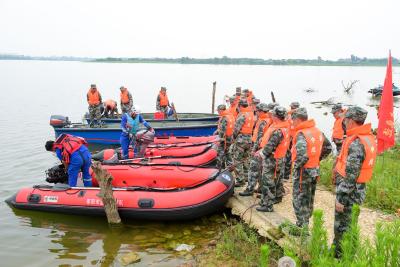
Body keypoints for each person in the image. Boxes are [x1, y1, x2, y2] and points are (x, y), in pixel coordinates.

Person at [332, 106, 377, 257]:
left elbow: (351, 176)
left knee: (342, 226)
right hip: (358, 190)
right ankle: (344, 252)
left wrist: (341, 199)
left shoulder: (357, 142)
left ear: (350, 120)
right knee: (350, 224)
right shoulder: (367, 137)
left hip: (350, 193)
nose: (343, 122)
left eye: (345, 119)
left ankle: (340, 256)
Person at [290, 107, 332, 235]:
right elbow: (328, 147)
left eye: (293, 120)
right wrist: (317, 159)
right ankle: (305, 223)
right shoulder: (317, 131)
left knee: (299, 198)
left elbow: (302, 156)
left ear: (297, 119)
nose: (292, 122)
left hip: (304, 171)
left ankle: (302, 228)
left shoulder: (302, 134)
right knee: (309, 198)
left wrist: (296, 167)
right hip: (314, 169)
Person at [256, 106, 290, 212]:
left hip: (272, 159)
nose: (271, 116)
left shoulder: (278, 131)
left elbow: (269, 147)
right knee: (277, 180)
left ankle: (267, 205)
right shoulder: (285, 126)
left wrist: (260, 153)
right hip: (279, 158)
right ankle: (276, 197)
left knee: (268, 182)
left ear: (276, 116)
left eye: (273, 114)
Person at [239, 103, 272, 196]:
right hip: (264, 148)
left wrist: (254, 149)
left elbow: (259, 137)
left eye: (256, 111)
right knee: (261, 169)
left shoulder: (262, 122)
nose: (255, 112)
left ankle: (250, 189)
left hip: (259, 148)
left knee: (253, 169)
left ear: (260, 111)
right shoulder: (268, 119)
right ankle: (261, 188)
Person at [230, 99, 256, 186]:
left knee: (237, 159)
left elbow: (236, 129)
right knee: (246, 159)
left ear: (240, 106)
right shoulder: (251, 114)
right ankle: (246, 177)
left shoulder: (242, 115)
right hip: (249, 139)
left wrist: (233, 138)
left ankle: (240, 180)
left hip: (241, 140)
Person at [284, 101, 301, 181]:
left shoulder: (296, 117)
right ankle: (287, 173)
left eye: (292, 107)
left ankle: (287, 174)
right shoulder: (292, 115)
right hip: (291, 138)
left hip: (294, 139)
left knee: (290, 156)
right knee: (289, 155)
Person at [215, 104, 235, 169]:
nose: (218, 112)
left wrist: (219, 139)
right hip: (230, 138)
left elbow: (223, 130)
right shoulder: (230, 116)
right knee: (227, 152)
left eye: (218, 111)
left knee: (220, 153)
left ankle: (219, 168)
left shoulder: (224, 118)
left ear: (221, 110)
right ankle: (230, 166)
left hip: (224, 139)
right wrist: (217, 130)